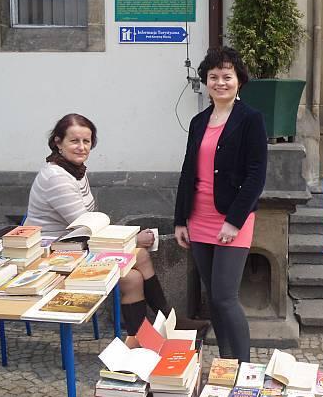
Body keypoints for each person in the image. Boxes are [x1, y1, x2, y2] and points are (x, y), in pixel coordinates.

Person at [25, 113, 208, 346]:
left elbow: (89, 224)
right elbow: (85, 226)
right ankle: (144, 340)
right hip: (55, 254)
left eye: (87, 141)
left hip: (75, 246)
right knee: (131, 278)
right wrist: (132, 240)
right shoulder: (57, 177)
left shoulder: (75, 170)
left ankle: (167, 322)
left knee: (140, 257)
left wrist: (131, 242)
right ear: (58, 143)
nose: (81, 147)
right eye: (74, 141)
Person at [174, 46, 268, 363]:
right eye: (213, 77)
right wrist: (180, 220)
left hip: (232, 219)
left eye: (227, 76)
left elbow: (257, 176)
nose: (220, 82)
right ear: (206, 81)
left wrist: (234, 220)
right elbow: (188, 171)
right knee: (212, 298)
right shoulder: (199, 121)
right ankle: (226, 363)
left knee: (226, 297)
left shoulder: (251, 119)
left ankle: (244, 370)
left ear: (239, 80)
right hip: (198, 217)